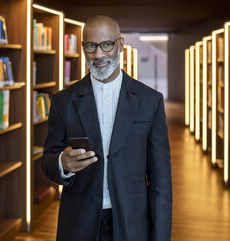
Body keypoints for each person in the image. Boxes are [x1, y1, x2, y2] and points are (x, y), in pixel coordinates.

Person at [41, 15, 172, 241]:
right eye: (90, 46)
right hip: (79, 223)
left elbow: (161, 182)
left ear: (120, 45)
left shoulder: (151, 101)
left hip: (132, 223)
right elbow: (47, 161)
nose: (98, 55)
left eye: (106, 45)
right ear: (83, 48)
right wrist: (62, 163)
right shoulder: (63, 101)